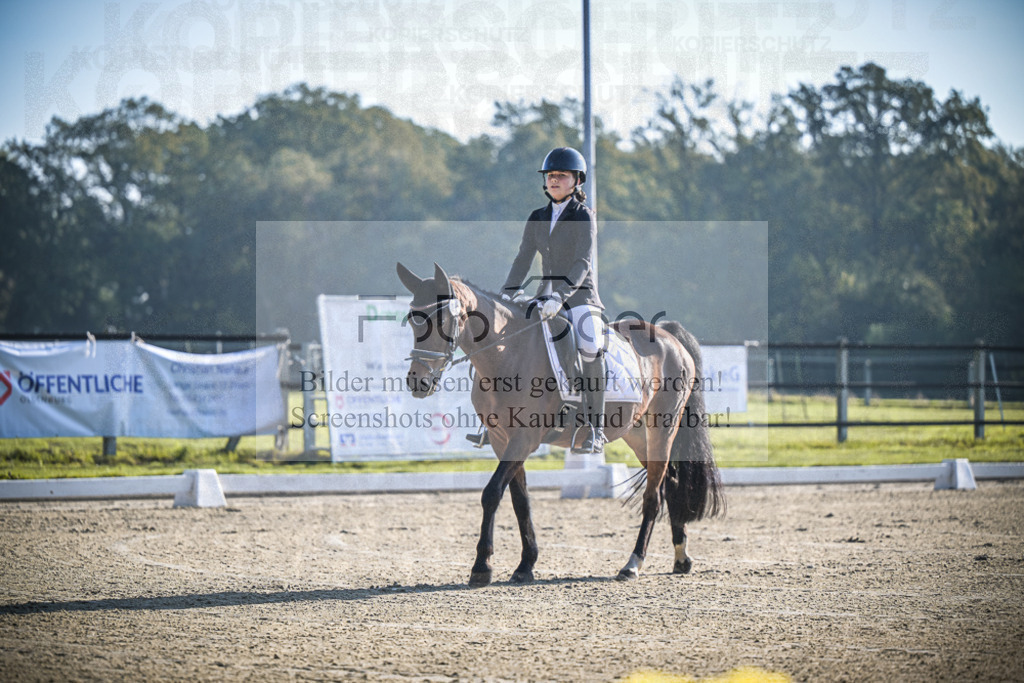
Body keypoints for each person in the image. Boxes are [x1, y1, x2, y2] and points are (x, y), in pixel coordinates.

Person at [501, 147, 609, 454]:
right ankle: (501, 422)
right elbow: (522, 259)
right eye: (550, 176)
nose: (554, 180)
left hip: (579, 296)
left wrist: (561, 297)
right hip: (544, 296)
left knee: (589, 344)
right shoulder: (537, 217)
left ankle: (596, 429)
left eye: (561, 175)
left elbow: (582, 262)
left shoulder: (583, 215)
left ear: (577, 181)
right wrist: (506, 294)